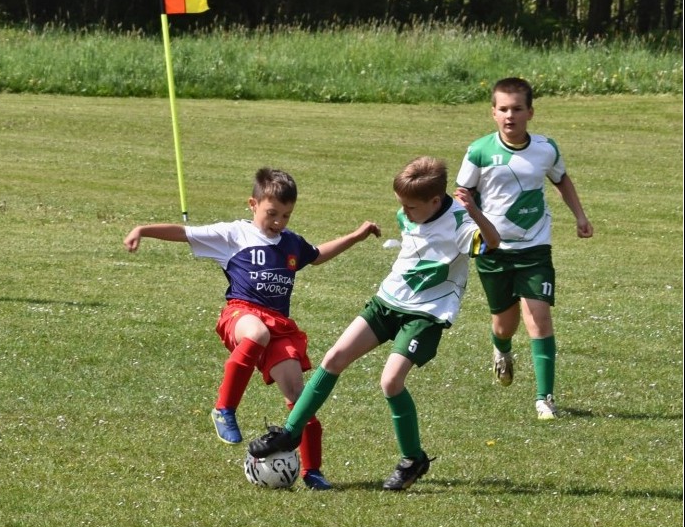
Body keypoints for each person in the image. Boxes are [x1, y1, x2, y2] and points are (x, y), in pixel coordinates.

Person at [248, 156, 500, 491]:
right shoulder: (407, 213)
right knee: (334, 358)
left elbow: (493, 243)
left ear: (435, 201)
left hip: (425, 314)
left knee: (391, 382)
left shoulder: (461, 224)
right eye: (402, 205)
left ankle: (412, 459)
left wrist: (475, 213)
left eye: (411, 207)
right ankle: (290, 434)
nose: (404, 212)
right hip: (387, 301)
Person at [124, 168, 380, 490]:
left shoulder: (291, 243)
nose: (278, 222)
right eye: (271, 213)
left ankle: (312, 471)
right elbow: (184, 232)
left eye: (286, 215)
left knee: (301, 401)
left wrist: (355, 237)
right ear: (253, 204)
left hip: (280, 327)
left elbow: (316, 255)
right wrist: (142, 230)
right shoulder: (234, 235)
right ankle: (224, 409)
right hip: (241, 314)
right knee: (256, 333)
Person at [455, 77, 593, 420]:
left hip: (535, 249)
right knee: (504, 324)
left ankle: (544, 398)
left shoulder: (546, 149)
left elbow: (561, 179)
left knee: (539, 319)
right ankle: (501, 351)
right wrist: (460, 236)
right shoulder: (479, 151)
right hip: (493, 251)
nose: (510, 115)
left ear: (530, 112)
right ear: (493, 112)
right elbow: (462, 196)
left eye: (517, 109)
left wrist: (580, 216)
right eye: (503, 109)